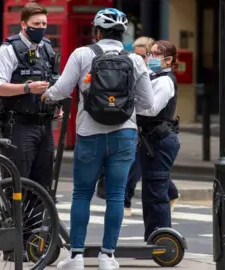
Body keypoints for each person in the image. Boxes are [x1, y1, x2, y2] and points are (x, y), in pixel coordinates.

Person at [42, 8, 154, 270]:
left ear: (97, 31)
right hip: (124, 134)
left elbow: (61, 89)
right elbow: (148, 104)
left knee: (82, 194)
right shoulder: (136, 60)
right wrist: (122, 107)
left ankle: (77, 257)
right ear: (123, 32)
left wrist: (45, 96)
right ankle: (107, 256)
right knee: (115, 195)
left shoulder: (83, 54)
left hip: (89, 134)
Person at [0, 2, 60, 261]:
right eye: (36, 25)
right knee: (18, 184)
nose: (41, 29)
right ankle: (12, 247)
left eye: (44, 25)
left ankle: (33, 244)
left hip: (44, 125)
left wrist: (55, 103)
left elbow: (53, 82)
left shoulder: (48, 50)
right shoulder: (9, 49)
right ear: (23, 25)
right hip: (17, 125)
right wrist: (27, 88)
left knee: (42, 185)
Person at [136, 40, 181, 242]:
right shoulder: (155, 76)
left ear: (168, 59)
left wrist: (129, 108)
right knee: (152, 191)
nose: (150, 58)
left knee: (155, 194)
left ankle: (160, 242)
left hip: (159, 140)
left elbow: (151, 109)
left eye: (156, 54)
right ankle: (153, 240)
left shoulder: (165, 81)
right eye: (150, 54)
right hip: (151, 139)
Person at [124, 36, 155, 217]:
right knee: (142, 165)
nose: (138, 59)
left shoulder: (152, 74)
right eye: (135, 55)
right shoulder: (131, 70)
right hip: (134, 124)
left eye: (142, 56)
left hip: (147, 128)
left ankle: (126, 203)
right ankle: (172, 194)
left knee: (138, 166)